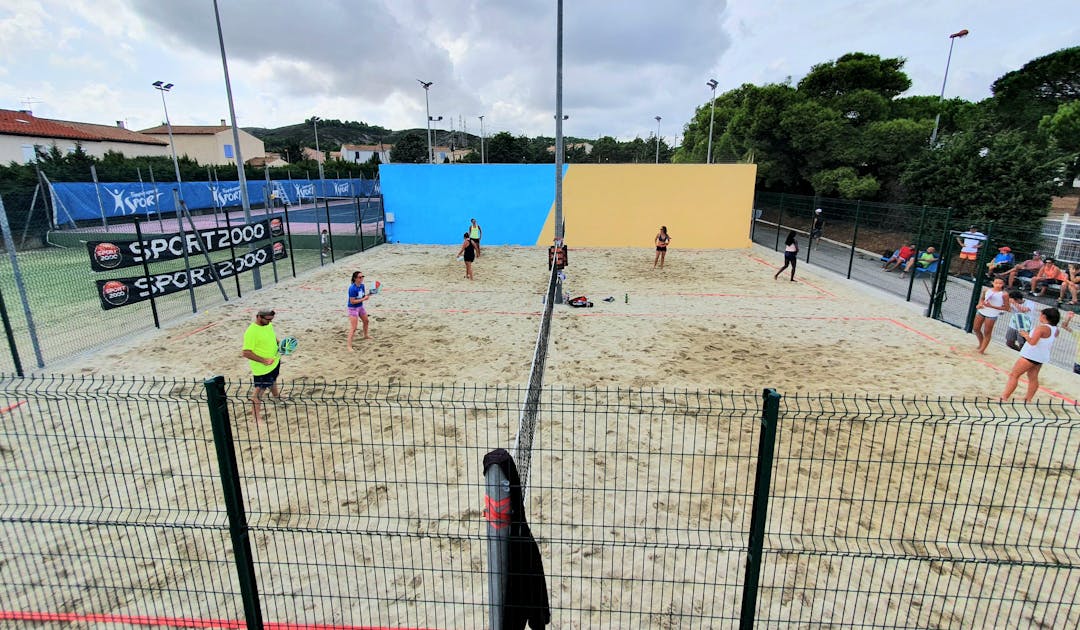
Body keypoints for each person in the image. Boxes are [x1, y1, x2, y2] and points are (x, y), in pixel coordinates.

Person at [1000, 307, 1060, 402]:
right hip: (1041, 357)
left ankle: (1004, 397)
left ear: (1044, 316)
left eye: (1041, 315)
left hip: (1030, 355)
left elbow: (1032, 342)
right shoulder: (1055, 330)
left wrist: (1025, 335)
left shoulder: (1041, 328)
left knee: (1014, 375)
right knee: (1033, 377)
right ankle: (1028, 399)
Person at [241, 308, 284, 422]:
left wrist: (280, 344)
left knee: (273, 380)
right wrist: (264, 361)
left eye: (272, 319)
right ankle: (256, 418)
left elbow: (272, 337)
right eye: (268, 319)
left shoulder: (267, 325)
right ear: (259, 317)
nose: (270, 322)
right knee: (259, 392)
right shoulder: (251, 332)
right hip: (262, 368)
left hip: (274, 361)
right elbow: (246, 352)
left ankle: (277, 399)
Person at [973, 277, 1009, 354]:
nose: (997, 285)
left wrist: (992, 306)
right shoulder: (987, 290)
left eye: (1000, 283)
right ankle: (981, 343)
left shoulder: (1004, 294)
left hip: (992, 314)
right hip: (982, 310)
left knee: (987, 332)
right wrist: (979, 304)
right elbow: (982, 299)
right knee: (976, 328)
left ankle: (982, 349)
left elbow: (1006, 308)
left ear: (1003, 284)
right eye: (996, 283)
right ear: (993, 283)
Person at [346, 271, 372, 350]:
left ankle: (366, 335)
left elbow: (362, 296)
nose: (362, 278)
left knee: (366, 321)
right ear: (355, 278)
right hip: (353, 309)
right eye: (360, 277)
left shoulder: (362, 286)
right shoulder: (352, 288)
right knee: (353, 328)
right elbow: (352, 301)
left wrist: (369, 294)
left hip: (360, 307)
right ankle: (349, 346)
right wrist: (364, 299)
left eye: (362, 277)